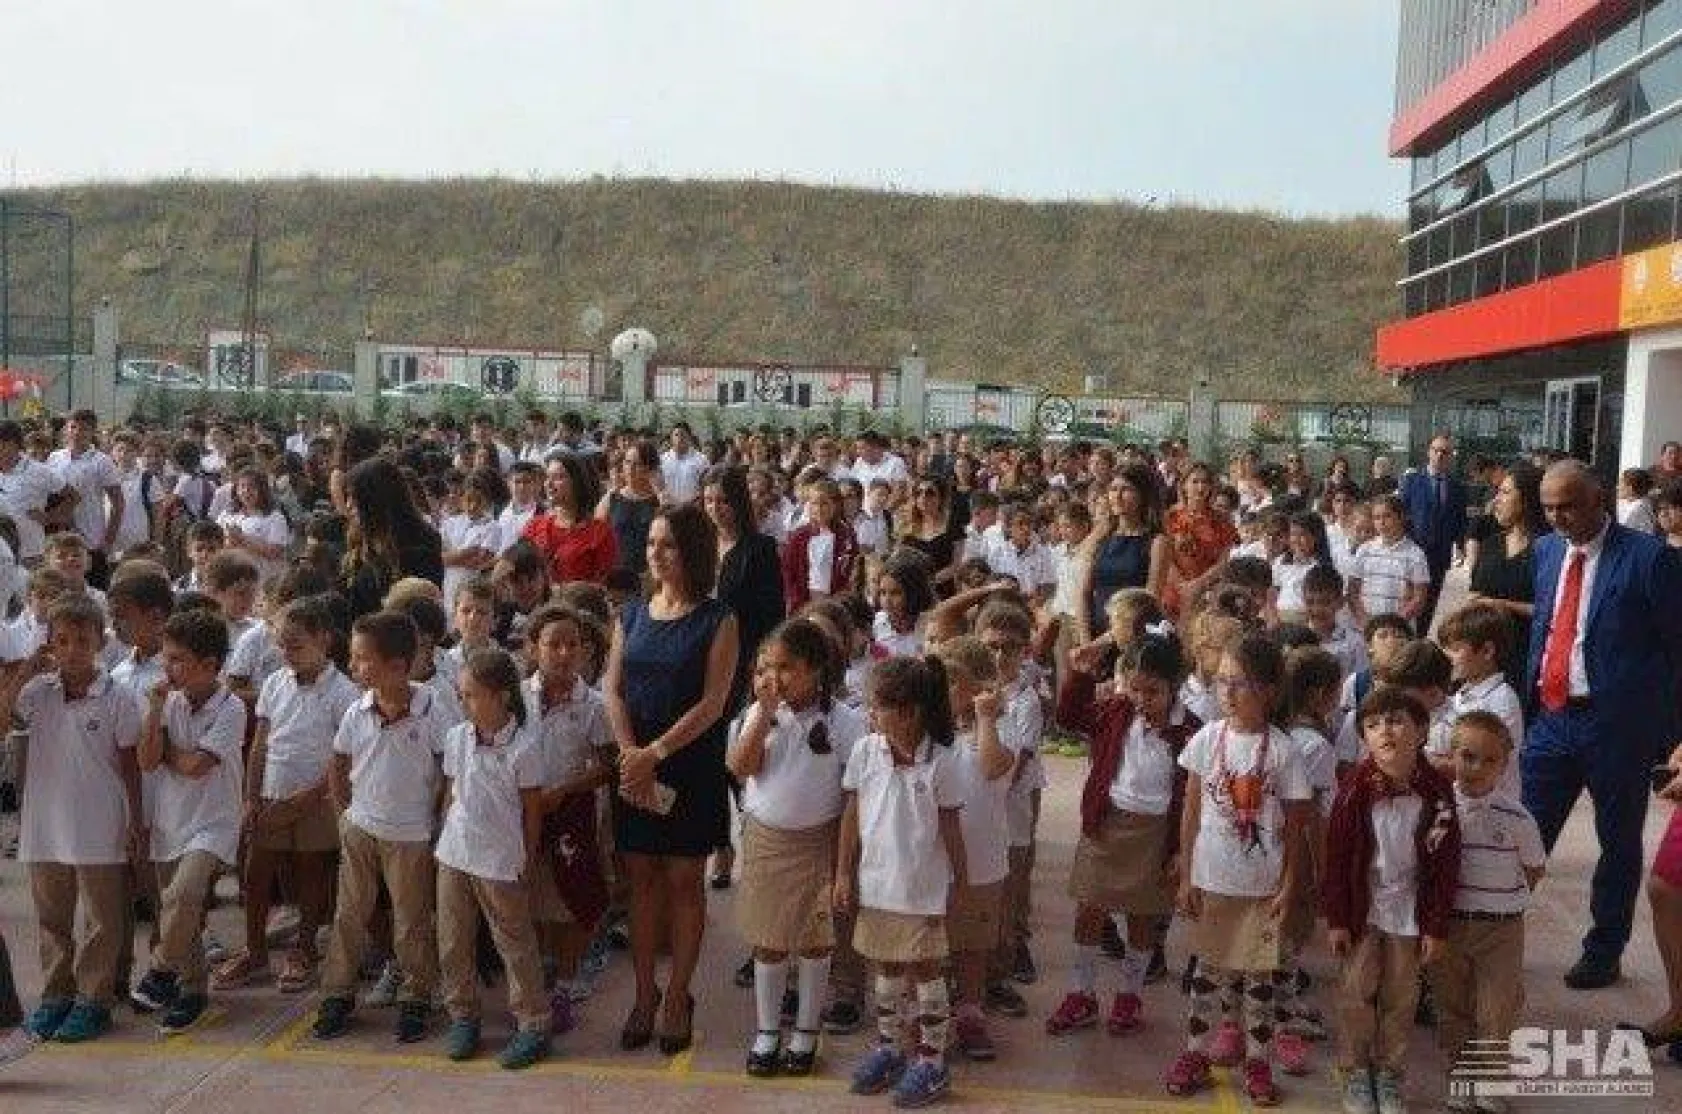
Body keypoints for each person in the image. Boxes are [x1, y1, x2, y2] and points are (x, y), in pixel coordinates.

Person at [1523, 460, 1682, 990]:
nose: (1556, 517)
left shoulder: (1649, 559)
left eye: (1567, 506)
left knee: (1617, 842)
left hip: (1617, 727)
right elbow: (1546, 627)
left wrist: (1671, 732)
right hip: (1552, 718)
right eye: (1548, 507)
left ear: (1598, 500)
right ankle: (1492, 934)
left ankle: (1604, 949)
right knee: (1522, 833)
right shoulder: (1546, 551)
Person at [604, 502, 740, 1055]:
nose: (656, 554)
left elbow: (714, 702)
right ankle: (644, 994)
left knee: (685, 881)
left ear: (693, 552)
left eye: (669, 545)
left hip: (689, 765)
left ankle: (678, 995)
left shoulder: (718, 619)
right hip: (635, 764)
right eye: (651, 543)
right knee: (640, 880)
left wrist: (655, 752)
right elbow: (613, 689)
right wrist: (630, 753)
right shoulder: (631, 614)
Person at [1167, 634, 1312, 1105]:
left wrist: (1289, 885)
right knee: (1208, 973)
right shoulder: (1206, 740)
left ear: (1268, 691)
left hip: (1262, 888)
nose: (1227, 692)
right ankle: (1195, 1051)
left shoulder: (1284, 750)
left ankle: (1258, 1061)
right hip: (1213, 880)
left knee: (1258, 979)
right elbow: (1190, 812)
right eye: (1222, 681)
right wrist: (1186, 875)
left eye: (1241, 683)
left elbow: (1296, 827)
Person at [727, 620, 863, 1079]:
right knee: (768, 940)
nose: (774, 678)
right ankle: (767, 1031)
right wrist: (763, 715)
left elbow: (852, 796)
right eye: (766, 668)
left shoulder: (843, 721)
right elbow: (741, 767)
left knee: (815, 940)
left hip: (820, 841)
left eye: (786, 668)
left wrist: (843, 867)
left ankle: (806, 1029)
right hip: (767, 839)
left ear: (815, 669)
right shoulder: (759, 713)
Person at [4, 597, 141, 1044]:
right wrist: (25, 671)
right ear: (49, 643)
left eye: (82, 641)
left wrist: (135, 821)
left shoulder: (118, 696)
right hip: (46, 822)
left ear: (100, 642)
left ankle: (93, 999)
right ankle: (55, 996)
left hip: (100, 821)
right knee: (52, 917)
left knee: (102, 918)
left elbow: (131, 764)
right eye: (61, 641)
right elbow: (4, 720)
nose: (72, 650)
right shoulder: (37, 692)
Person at [1046, 632, 1197, 1039]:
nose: (1142, 700)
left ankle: (1130, 993)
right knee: (1089, 908)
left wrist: (1181, 851)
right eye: (1135, 688)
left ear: (1174, 687)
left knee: (1142, 916)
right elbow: (1068, 718)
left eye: (1153, 692)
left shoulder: (1189, 731)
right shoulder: (1116, 711)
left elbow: (1193, 797)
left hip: (1157, 834)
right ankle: (1081, 991)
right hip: (1107, 823)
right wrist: (1080, 675)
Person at [313, 611, 453, 1043]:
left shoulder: (433, 708)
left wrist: (440, 820)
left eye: (361, 659)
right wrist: (344, 813)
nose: (353, 666)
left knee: (412, 920)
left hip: (411, 834)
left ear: (397, 666)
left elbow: (451, 770)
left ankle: (416, 995)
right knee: (349, 914)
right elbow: (339, 760)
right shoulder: (359, 709)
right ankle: (337, 993)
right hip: (361, 826)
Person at [1322, 686, 1461, 1114]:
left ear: (1421, 731)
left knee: (1401, 998)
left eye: (1397, 721)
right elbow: (1336, 860)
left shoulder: (1438, 793)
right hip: (1363, 910)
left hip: (1409, 912)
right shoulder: (1353, 790)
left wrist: (1436, 925)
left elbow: (1445, 865)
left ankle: (1389, 1073)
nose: (1385, 731)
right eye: (1373, 724)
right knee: (1356, 992)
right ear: (1364, 736)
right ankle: (1355, 1071)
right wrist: (1337, 920)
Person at [837, 655, 965, 1107]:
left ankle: (932, 1059)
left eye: (877, 707)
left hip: (922, 889)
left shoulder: (942, 761)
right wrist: (843, 873)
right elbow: (852, 814)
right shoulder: (865, 751)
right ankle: (890, 1047)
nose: (869, 714)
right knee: (886, 967)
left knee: (926, 972)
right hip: (877, 885)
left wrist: (960, 884)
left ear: (908, 712)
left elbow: (951, 828)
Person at [214, 597, 359, 994]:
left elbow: (344, 755)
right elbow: (261, 744)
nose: (286, 653)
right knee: (256, 871)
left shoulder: (344, 692)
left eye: (296, 645)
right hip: (273, 793)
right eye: (281, 645)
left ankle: (305, 949)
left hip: (318, 798)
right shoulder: (276, 683)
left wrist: (311, 795)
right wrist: (251, 796)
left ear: (324, 640)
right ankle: (255, 951)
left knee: (311, 873)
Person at [132, 608, 248, 1035]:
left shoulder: (231, 708)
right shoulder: (167, 701)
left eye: (178, 659)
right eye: (167, 657)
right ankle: (192, 989)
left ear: (209, 665)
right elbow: (147, 761)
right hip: (170, 820)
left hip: (213, 822)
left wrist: (168, 752)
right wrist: (154, 714)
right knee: (181, 911)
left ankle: (161, 969)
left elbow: (197, 766)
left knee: (183, 894)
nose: (167, 667)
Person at [436, 648, 552, 1070]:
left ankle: (533, 1023)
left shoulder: (524, 747)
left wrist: (527, 859)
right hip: (455, 854)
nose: (464, 702)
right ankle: (463, 1016)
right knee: (453, 940)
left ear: (502, 696)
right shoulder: (457, 737)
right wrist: (444, 836)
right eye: (461, 695)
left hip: (501, 861)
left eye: (471, 695)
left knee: (514, 943)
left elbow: (532, 811)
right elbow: (451, 794)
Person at [1429, 712, 1546, 1114]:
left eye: (1489, 760)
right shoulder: (1439, 811)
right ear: (1451, 756)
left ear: (1504, 765)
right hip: (1450, 926)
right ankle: (1461, 1076)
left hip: (1501, 930)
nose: (1476, 768)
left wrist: (1503, 901)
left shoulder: (1518, 818)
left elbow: (1534, 869)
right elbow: (1428, 861)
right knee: (1452, 1004)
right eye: (1467, 756)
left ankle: (1490, 1081)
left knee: (1497, 1007)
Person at [1465, 463, 1543, 693]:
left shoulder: (1548, 549)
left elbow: (1552, 610)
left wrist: (1502, 605)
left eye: (1505, 493)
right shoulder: (1492, 544)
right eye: (1497, 492)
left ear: (1527, 499)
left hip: (1529, 658)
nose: (1496, 500)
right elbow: (1475, 594)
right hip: (1487, 659)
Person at [341, 458, 444, 621]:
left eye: (354, 498)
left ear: (374, 501)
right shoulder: (361, 546)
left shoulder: (419, 553)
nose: (348, 506)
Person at [1396, 434, 1468, 634]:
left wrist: (1461, 546)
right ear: (1429, 452)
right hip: (1412, 552)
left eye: (1445, 452)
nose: (1439, 455)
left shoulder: (1456, 487)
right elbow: (1400, 513)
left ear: (1450, 456)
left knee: (1428, 604)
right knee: (1407, 600)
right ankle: (1403, 637)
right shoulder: (1411, 481)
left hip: (1439, 556)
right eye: (1436, 450)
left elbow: (1460, 519)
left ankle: (1420, 639)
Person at [523, 453, 616, 587]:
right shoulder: (534, 525)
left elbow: (605, 584)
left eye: (558, 477)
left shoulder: (600, 532)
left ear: (577, 482)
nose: (548, 484)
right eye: (547, 477)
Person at [1162, 462, 1237, 620]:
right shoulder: (1169, 517)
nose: (1200, 487)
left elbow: (1223, 561)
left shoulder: (1221, 520)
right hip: (1174, 590)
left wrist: (1198, 584)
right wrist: (1184, 587)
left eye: (1205, 482)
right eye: (1195, 481)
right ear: (1184, 485)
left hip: (1208, 592)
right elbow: (1165, 558)